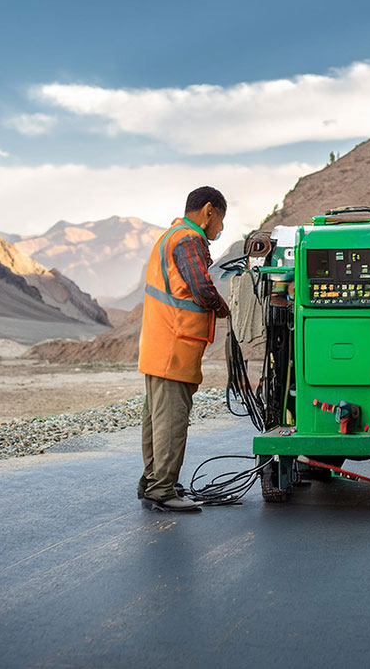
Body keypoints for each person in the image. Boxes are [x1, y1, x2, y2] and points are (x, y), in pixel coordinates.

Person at [137, 186, 231, 513]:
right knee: (172, 421)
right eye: (220, 220)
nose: (220, 229)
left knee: (156, 419)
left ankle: (153, 482)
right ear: (208, 211)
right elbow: (201, 286)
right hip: (176, 345)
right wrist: (222, 308)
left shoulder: (170, 236)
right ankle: (162, 490)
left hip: (160, 345)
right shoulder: (188, 240)